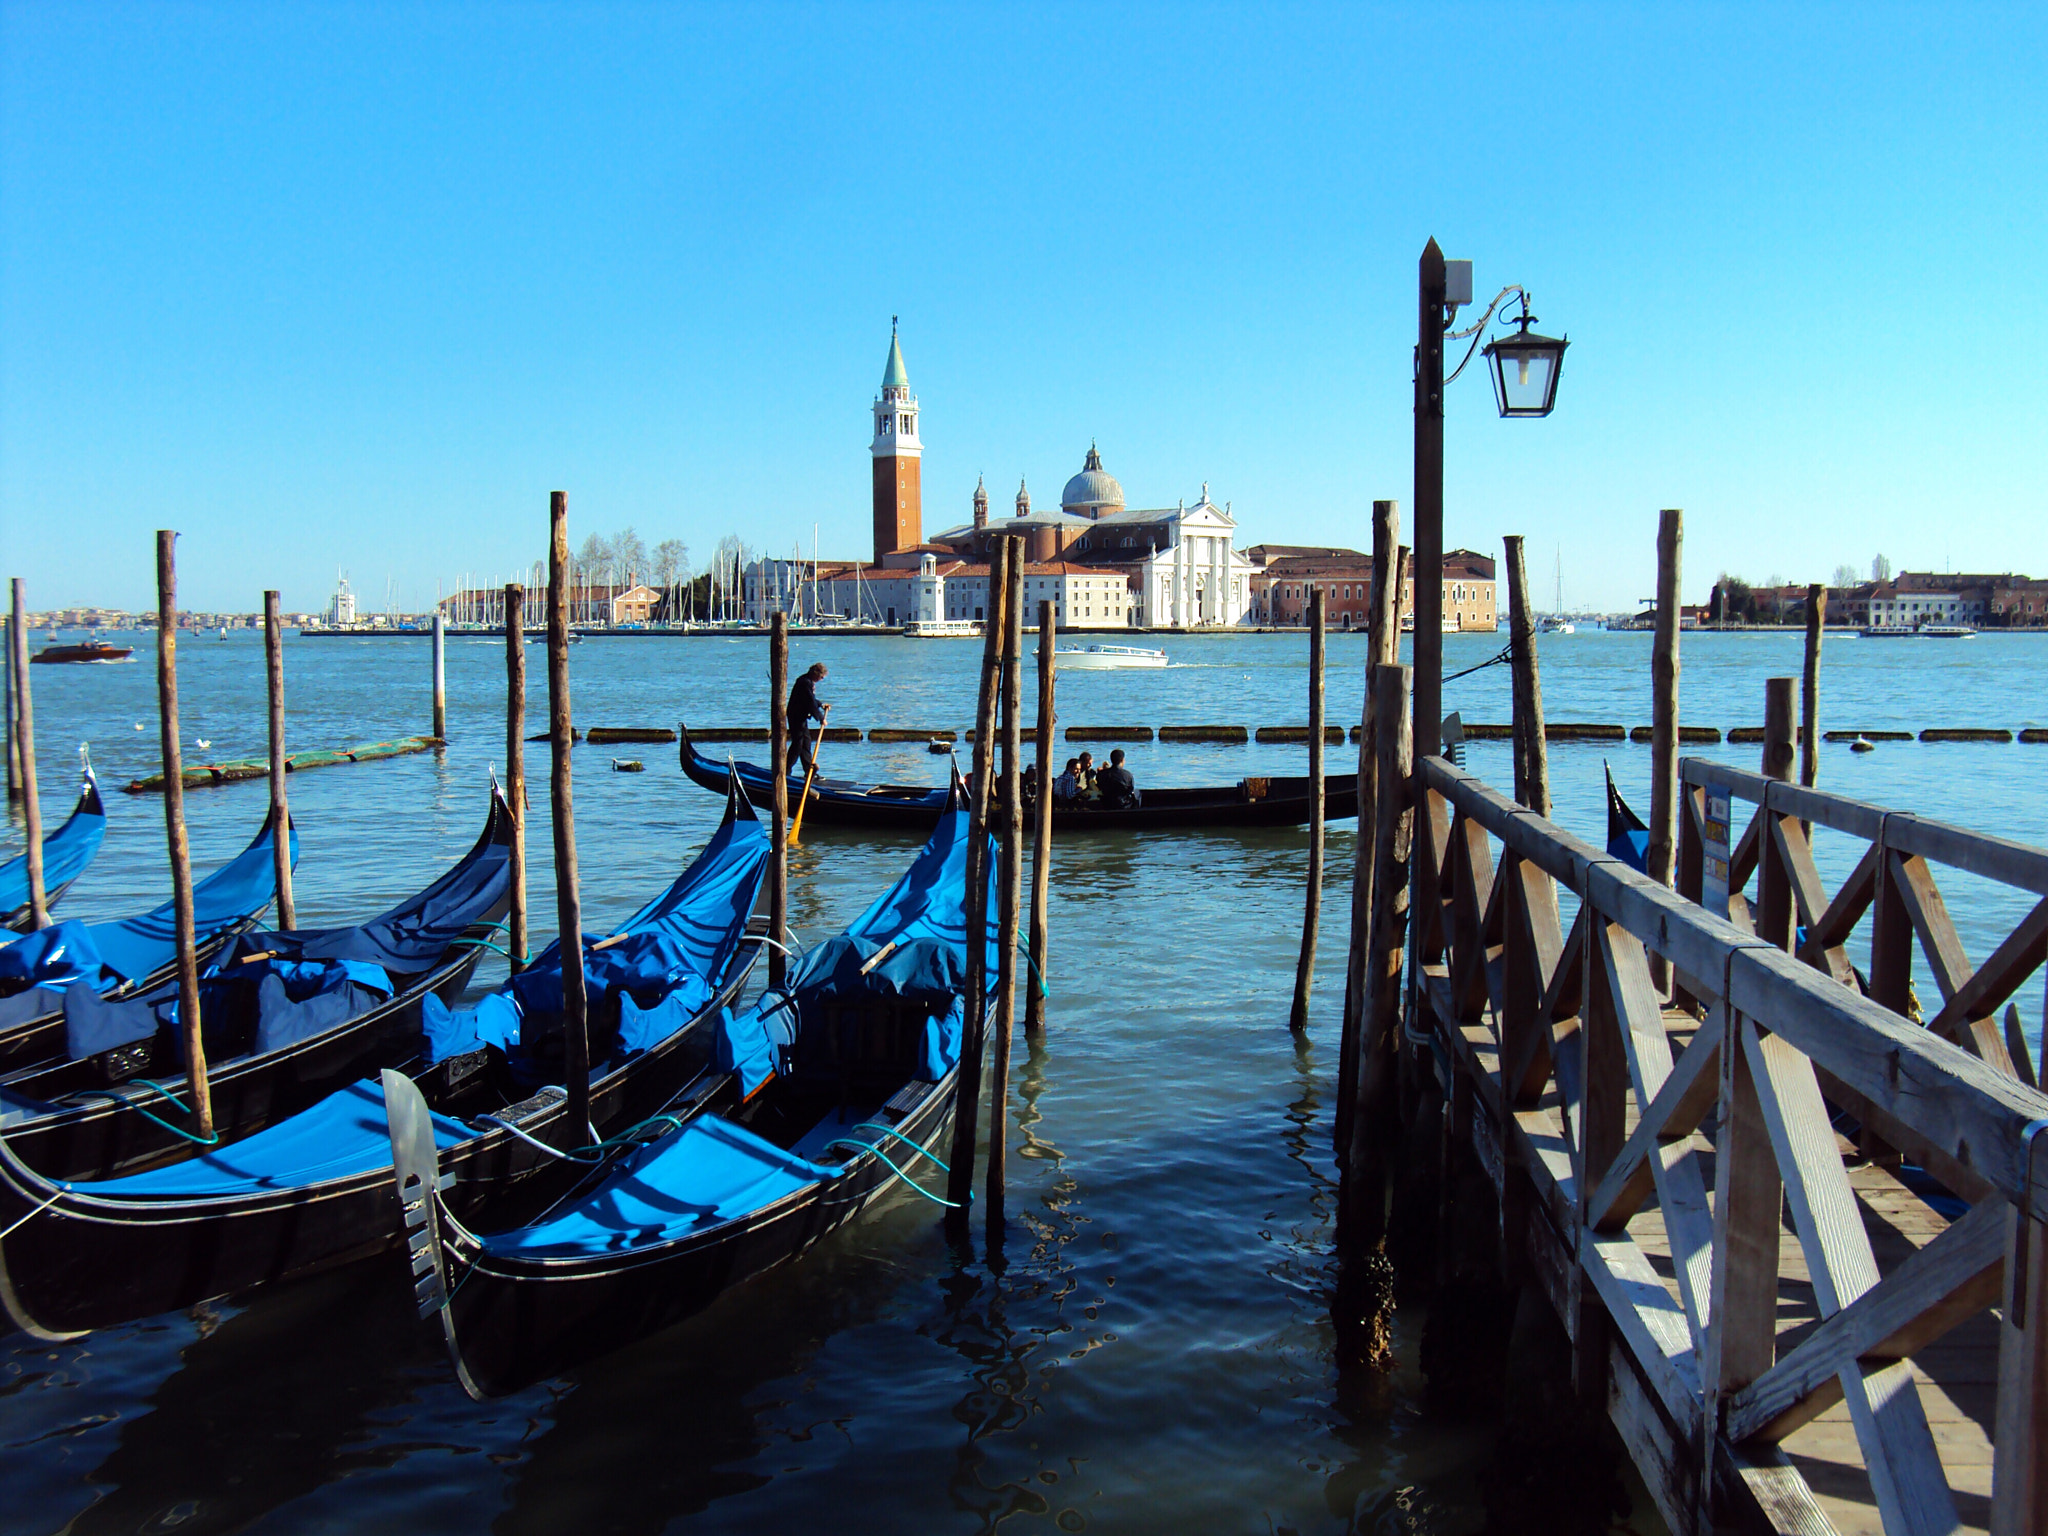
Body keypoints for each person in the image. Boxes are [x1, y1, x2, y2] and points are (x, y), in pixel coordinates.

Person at [785, 662, 829, 774]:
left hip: (801, 717)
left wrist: (820, 704)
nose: (821, 679)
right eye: (821, 677)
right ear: (816, 673)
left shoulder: (808, 682)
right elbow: (809, 702)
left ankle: (809, 771)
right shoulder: (804, 682)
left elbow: (811, 699)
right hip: (795, 716)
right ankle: (786, 769)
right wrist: (820, 718)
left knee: (806, 743)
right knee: (798, 743)